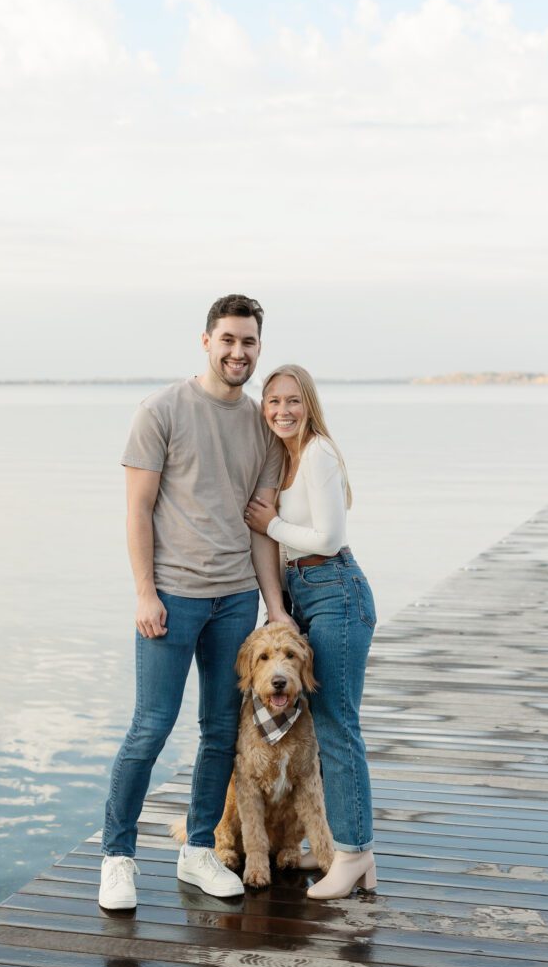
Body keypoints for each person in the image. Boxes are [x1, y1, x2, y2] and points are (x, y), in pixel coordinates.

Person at [99, 295, 291, 910]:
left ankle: (198, 850)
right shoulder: (161, 410)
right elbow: (136, 509)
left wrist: (274, 606)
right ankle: (117, 857)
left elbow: (260, 525)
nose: (239, 352)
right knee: (149, 729)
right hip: (172, 601)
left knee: (218, 733)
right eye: (229, 339)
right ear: (205, 341)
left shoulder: (262, 422)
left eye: (250, 342)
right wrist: (144, 593)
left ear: (259, 348)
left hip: (234, 602)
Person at [244, 364, 377, 900]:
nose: (282, 410)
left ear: (309, 403)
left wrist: (269, 523)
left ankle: (352, 854)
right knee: (328, 729)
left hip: (336, 591)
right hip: (306, 593)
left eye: (292, 400)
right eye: (272, 401)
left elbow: (329, 533)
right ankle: (354, 852)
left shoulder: (318, 452)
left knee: (338, 727)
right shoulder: (286, 457)